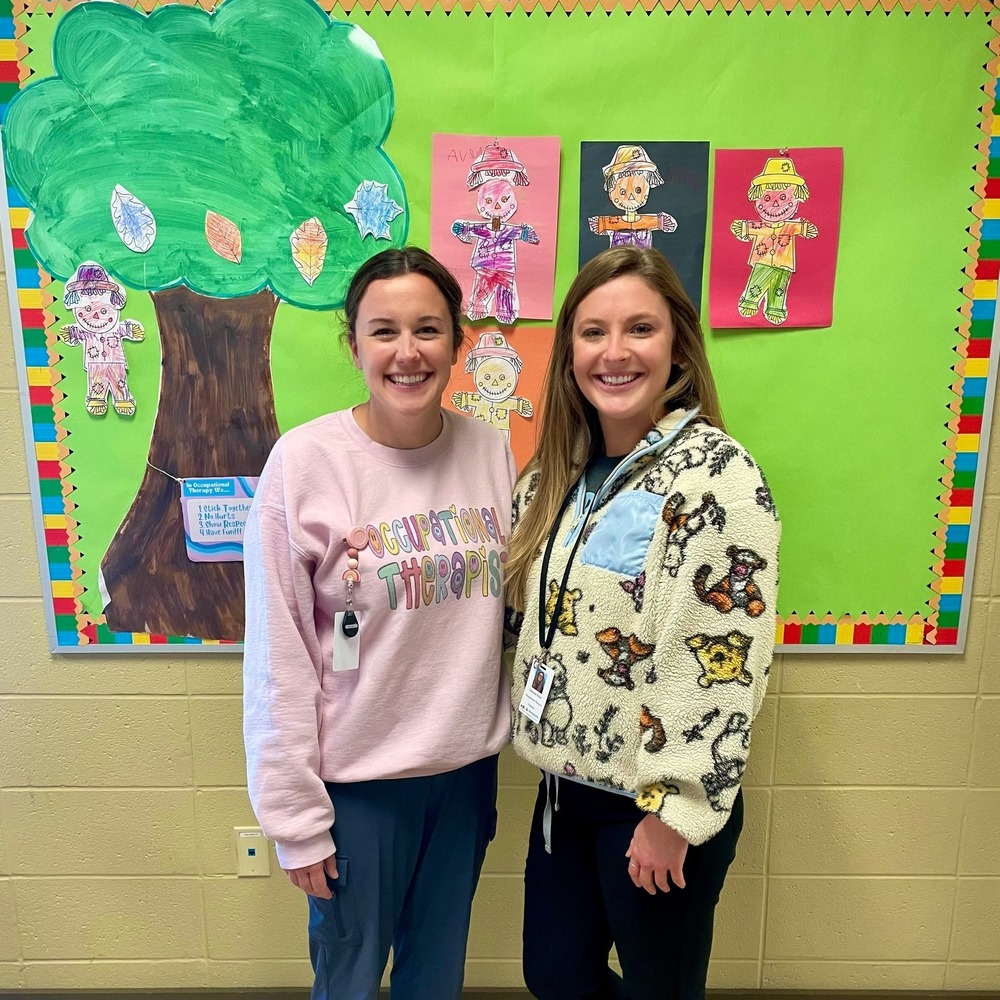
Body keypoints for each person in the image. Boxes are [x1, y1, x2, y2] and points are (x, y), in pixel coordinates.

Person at [504, 246, 780, 1000]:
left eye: (640, 329)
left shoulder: (716, 477)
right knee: (555, 977)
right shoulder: (557, 474)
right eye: (593, 332)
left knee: (661, 990)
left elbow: (717, 655)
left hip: (654, 799)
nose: (614, 352)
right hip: (567, 789)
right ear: (568, 354)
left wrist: (675, 811)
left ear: (677, 346)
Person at [243, 247, 516, 1000]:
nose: (408, 352)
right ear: (353, 343)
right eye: (384, 330)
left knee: (436, 980)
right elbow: (279, 656)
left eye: (428, 329)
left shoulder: (490, 451)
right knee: (352, 980)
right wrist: (294, 816)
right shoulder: (303, 464)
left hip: (463, 778)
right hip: (356, 789)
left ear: (459, 342)